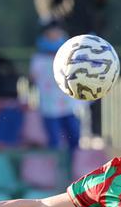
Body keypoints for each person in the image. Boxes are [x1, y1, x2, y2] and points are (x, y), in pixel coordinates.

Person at [29, 22, 82, 150]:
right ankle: (57, 168)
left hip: (68, 104)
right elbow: (33, 77)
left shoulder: (70, 55)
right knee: (54, 140)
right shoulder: (39, 58)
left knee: (74, 137)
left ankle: (72, 166)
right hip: (49, 105)